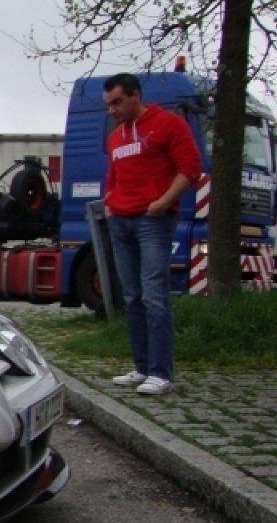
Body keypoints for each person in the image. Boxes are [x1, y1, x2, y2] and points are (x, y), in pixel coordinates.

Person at [102, 72, 202, 396]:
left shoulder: (169, 124)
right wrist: (110, 203)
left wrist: (163, 202)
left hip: (153, 220)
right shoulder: (116, 136)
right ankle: (142, 367)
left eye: (117, 102)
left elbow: (190, 168)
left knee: (154, 295)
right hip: (121, 220)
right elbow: (114, 176)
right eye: (108, 104)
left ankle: (161, 373)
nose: (112, 110)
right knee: (131, 296)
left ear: (135, 96)